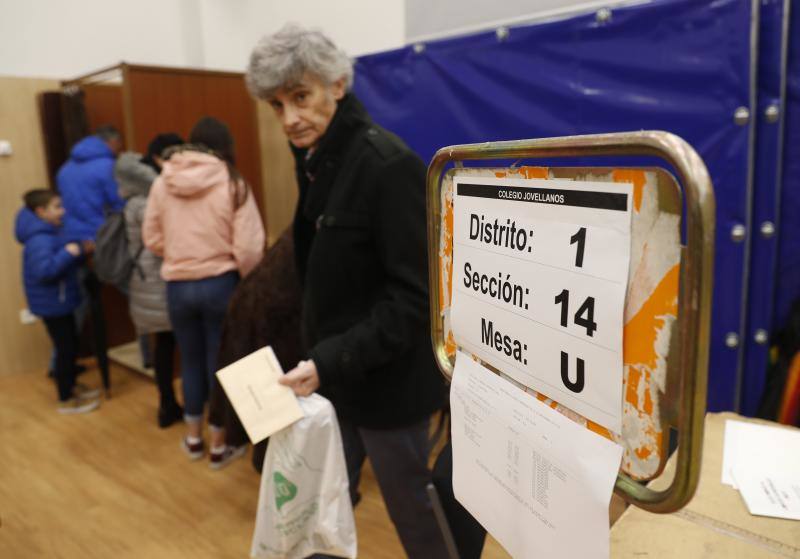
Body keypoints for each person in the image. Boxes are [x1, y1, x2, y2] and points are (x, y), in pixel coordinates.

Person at [246, 25, 448, 557]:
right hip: (335, 375)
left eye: (301, 96)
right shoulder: (318, 160)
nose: (289, 117)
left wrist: (330, 358)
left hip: (388, 385)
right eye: (276, 104)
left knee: (413, 509)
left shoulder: (386, 164)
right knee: (318, 499)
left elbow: (416, 299)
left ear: (337, 85)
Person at [143, 117, 265, 466]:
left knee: (191, 361)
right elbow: (249, 247)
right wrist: (244, 279)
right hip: (220, 283)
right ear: (225, 145)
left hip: (178, 286)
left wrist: (181, 254)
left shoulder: (162, 181)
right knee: (221, 363)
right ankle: (219, 445)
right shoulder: (232, 180)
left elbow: (151, 237)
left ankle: (193, 439)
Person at [14, 189, 101, 414]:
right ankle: (65, 399)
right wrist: (69, 253)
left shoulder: (50, 231)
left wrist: (79, 251)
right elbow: (45, 271)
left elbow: (62, 254)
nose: (62, 211)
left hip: (60, 300)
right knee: (65, 349)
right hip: (52, 304)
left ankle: (71, 386)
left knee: (70, 345)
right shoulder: (39, 240)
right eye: (57, 207)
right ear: (41, 211)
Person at [114, 151, 183, 428]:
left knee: (163, 347)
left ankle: (166, 404)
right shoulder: (146, 204)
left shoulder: (131, 203)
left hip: (144, 284)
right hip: (162, 283)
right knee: (185, 346)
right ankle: (187, 403)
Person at [56, 124, 124, 391]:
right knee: (134, 292)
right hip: (102, 242)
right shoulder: (107, 166)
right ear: (113, 141)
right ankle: (150, 355)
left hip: (74, 242)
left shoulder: (66, 167)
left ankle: (61, 362)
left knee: (78, 305)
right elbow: (119, 204)